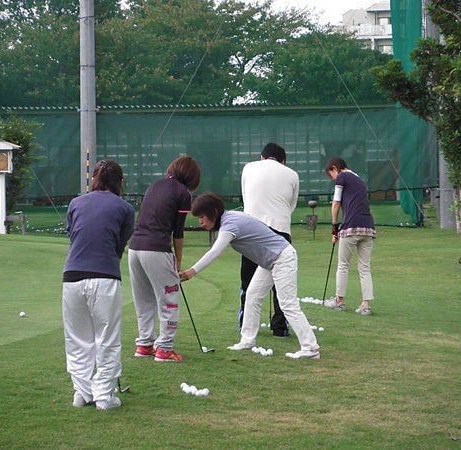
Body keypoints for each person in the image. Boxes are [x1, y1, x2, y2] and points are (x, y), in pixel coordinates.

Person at [179, 192, 320, 359]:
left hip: (282, 258)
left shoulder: (230, 224)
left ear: (214, 212)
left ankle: (310, 348)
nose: (200, 222)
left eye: (202, 216)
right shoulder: (229, 219)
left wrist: (191, 272)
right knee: (252, 296)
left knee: (287, 304)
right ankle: (247, 340)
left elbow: (215, 251)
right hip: (271, 261)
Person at [62, 159, 135, 410]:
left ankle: (82, 393)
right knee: (107, 338)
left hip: (72, 276)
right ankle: (104, 396)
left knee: (78, 339)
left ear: (94, 179)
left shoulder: (75, 203)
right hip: (105, 277)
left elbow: (74, 234)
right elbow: (118, 245)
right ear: (120, 182)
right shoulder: (125, 208)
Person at [128, 156, 201, 362]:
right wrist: (178, 260)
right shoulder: (183, 194)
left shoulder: (154, 185)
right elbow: (178, 232)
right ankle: (165, 349)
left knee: (144, 300)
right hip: (157, 250)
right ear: (192, 176)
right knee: (168, 300)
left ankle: (144, 345)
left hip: (134, 249)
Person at [239, 142, 299, 337]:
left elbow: (246, 198)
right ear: (283, 161)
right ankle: (280, 327)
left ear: (262, 157)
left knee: (248, 280)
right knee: (280, 282)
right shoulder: (292, 174)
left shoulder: (248, 168)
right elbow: (291, 205)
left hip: (252, 231)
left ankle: (245, 324)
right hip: (280, 231)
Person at [323, 157, 376, 315]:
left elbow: (336, 202)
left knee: (343, 265)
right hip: (368, 227)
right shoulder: (359, 179)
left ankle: (339, 301)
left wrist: (334, 227)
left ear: (335, 168)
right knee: (364, 267)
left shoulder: (342, 177)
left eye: (331, 174)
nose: (333, 179)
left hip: (351, 227)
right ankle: (365, 305)